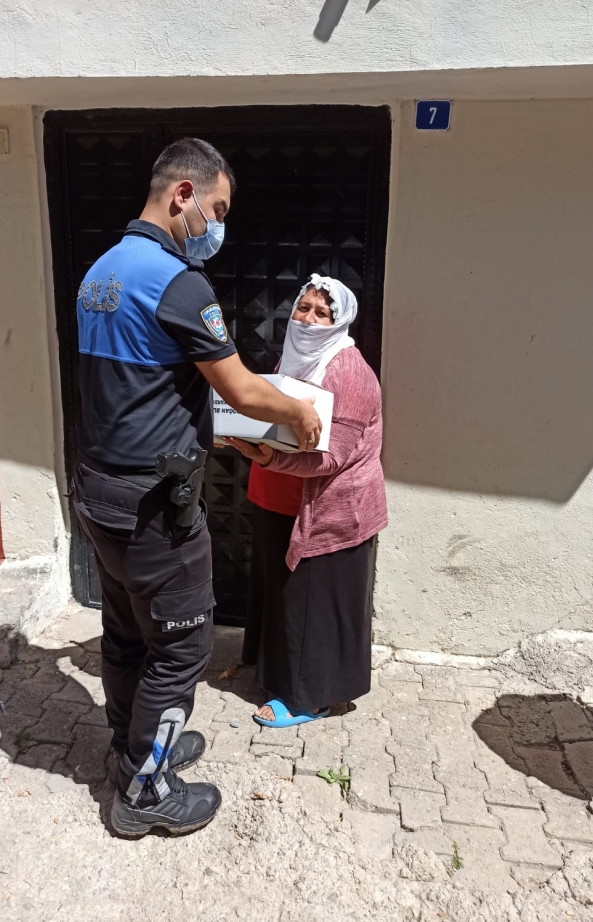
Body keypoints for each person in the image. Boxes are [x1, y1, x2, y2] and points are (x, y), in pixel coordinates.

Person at [72, 138, 322, 838]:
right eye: (217, 209)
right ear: (183, 195)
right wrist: (298, 410)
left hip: (101, 490)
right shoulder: (177, 281)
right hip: (155, 507)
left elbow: (137, 387)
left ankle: (131, 751)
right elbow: (240, 387)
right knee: (180, 648)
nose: (218, 225)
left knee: (125, 633)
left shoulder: (101, 272)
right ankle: (146, 792)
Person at [226, 275, 387, 728]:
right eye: (304, 308)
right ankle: (278, 673)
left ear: (341, 322)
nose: (310, 319)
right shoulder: (294, 358)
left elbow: (333, 456)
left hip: (329, 510)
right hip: (278, 496)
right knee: (284, 595)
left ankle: (308, 697)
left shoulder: (348, 372)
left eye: (323, 313)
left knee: (313, 599)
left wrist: (271, 458)